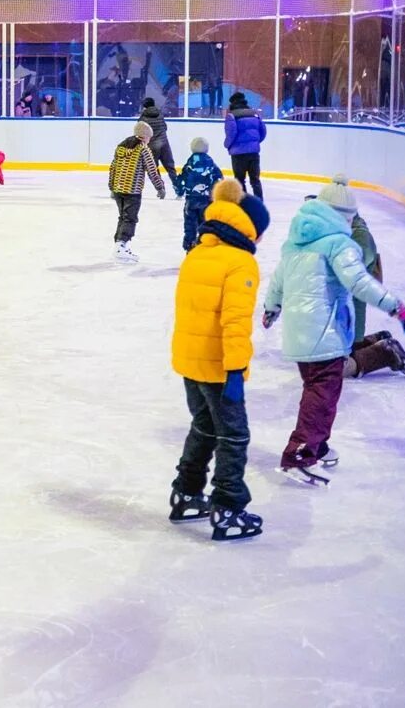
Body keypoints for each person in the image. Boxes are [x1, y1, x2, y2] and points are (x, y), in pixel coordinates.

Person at [263, 176, 405, 486]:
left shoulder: (295, 243)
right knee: (322, 396)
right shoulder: (339, 244)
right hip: (325, 333)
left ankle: (316, 445)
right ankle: (300, 455)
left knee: (317, 391)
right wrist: (396, 307)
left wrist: (272, 308)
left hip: (298, 333)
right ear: (343, 215)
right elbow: (360, 282)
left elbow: (278, 280)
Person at [167, 179, 271, 541]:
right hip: (217, 364)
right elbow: (235, 322)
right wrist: (235, 371)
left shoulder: (198, 252)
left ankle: (187, 493)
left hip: (189, 359)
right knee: (234, 435)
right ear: (251, 229)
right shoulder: (240, 262)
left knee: (204, 426)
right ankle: (228, 508)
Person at [108, 121, 167, 263]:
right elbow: (152, 170)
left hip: (118, 189)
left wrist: (111, 186)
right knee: (130, 218)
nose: (149, 140)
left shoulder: (121, 147)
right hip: (132, 190)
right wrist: (160, 187)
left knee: (123, 217)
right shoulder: (143, 149)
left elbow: (113, 167)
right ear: (145, 136)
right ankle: (121, 245)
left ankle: (120, 245)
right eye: (149, 138)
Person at [179, 137, 223, 251]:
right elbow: (219, 178)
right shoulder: (210, 162)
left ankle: (190, 247)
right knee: (205, 224)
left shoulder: (190, 162)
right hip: (206, 200)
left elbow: (182, 178)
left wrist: (180, 191)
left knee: (190, 225)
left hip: (191, 200)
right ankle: (204, 246)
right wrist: (217, 194)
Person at [223, 91, 266, 198]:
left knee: (239, 180)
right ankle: (259, 202)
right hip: (253, 152)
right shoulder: (254, 114)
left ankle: (245, 203)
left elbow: (231, 133)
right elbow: (263, 131)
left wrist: (227, 145)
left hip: (238, 154)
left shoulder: (232, 116)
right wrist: (255, 142)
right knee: (255, 180)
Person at [138, 97, 181, 197]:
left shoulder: (143, 118)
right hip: (164, 144)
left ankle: (161, 189)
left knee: (153, 169)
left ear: (144, 106)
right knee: (171, 168)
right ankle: (178, 189)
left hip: (152, 146)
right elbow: (165, 127)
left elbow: (140, 132)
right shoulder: (160, 114)